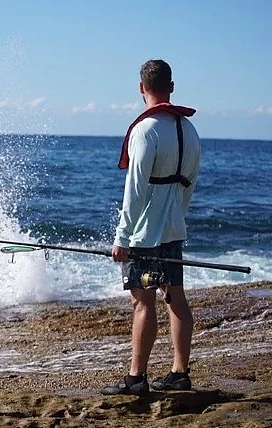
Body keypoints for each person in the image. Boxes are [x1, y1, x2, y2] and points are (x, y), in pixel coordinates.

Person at [102, 59, 201, 395]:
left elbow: (135, 190)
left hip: (144, 235)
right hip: (174, 230)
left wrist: (122, 237)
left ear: (141, 88)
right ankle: (179, 373)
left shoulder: (146, 131)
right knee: (175, 298)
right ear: (171, 87)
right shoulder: (189, 130)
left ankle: (136, 378)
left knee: (143, 303)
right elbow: (190, 185)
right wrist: (177, 218)